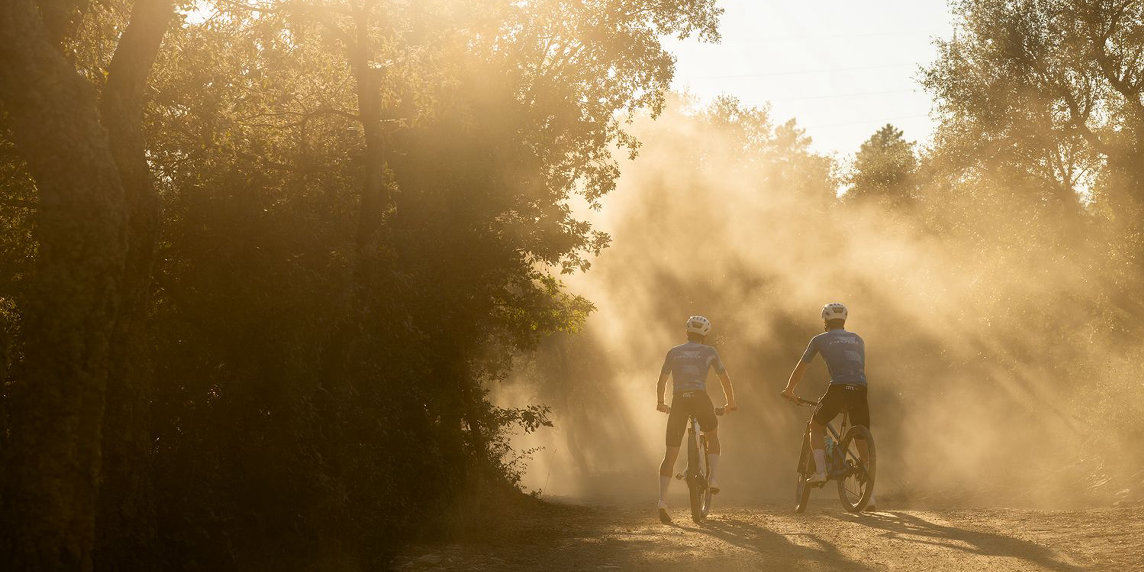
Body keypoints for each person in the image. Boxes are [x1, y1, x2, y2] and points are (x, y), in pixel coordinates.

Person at [780, 302, 876, 511]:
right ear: (844, 320)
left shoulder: (820, 339)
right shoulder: (857, 339)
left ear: (825, 320)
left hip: (839, 388)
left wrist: (789, 390)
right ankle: (869, 495)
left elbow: (802, 366)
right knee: (861, 435)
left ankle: (821, 471)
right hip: (860, 388)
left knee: (816, 424)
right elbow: (856, 367)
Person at [655, 315, 738, 524]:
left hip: (679, 401)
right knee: (712, 434)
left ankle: (662, 502)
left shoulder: (673, 352)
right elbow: (724, 378)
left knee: (670, 454)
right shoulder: (709, 352)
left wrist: (660, 402)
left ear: (686, 333)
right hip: (700, 399)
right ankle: (713, 478)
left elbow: (662, 379)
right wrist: (730, 403)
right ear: (705, 335)